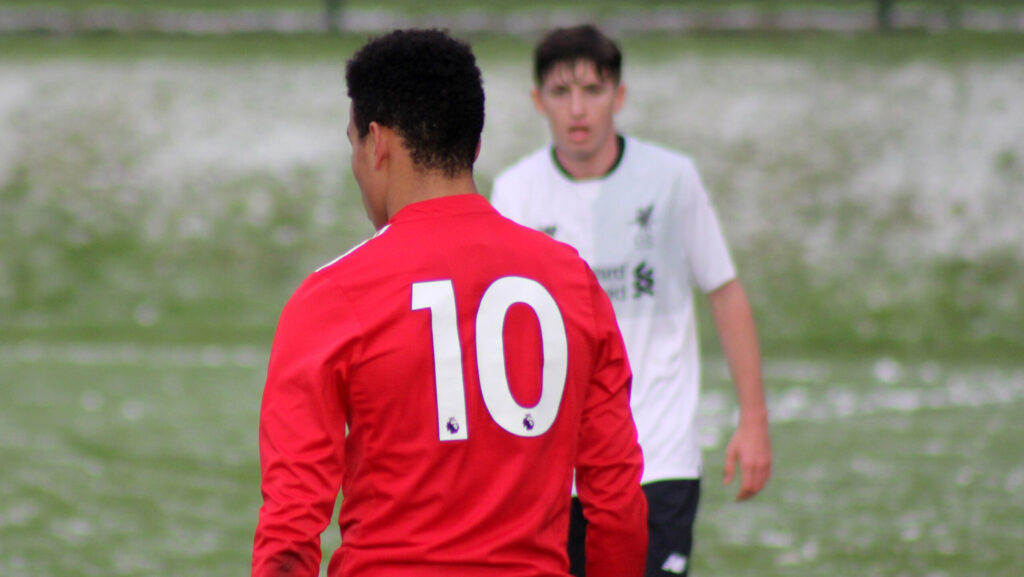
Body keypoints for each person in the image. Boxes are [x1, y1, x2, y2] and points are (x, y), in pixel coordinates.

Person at [252, 29, 647, 577]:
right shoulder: (572, 282)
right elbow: (616, 504)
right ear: (474, 145)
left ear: (376, 141)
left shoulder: (332, 298)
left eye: (353, 145)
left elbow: (291, 532)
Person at [490, 24, 773, 577]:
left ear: (618, 96)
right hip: (556, 466)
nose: (577, 109)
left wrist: (755, 420)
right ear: (536, 101)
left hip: (658, 456)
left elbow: (724, 290)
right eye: (560, 92)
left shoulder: (672, 179)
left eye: (593, 91)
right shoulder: (516, 192)